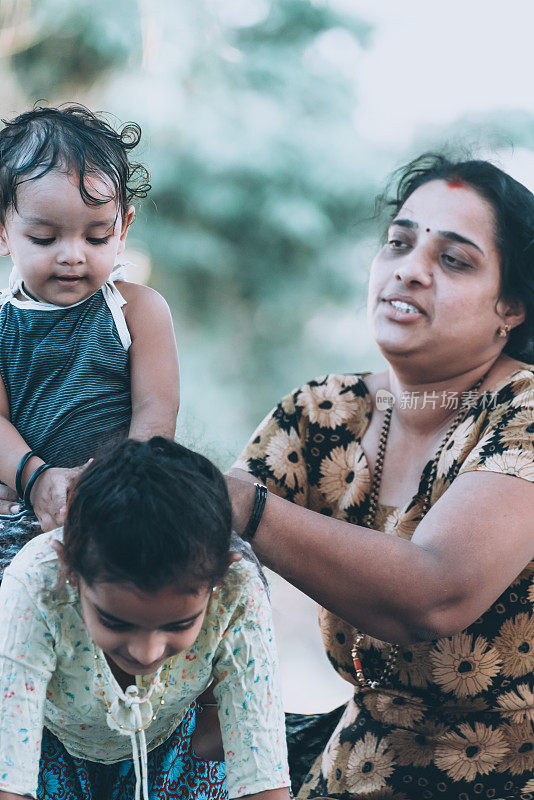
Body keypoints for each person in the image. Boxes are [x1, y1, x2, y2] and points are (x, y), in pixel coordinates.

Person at [226, 155, 534, 798]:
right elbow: (197, 559)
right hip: (347, 771)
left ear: (512, 306)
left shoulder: (522, 413)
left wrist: (242, 507)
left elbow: (437, 593)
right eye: (399, 241)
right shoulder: (320, 413)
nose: (410, 268)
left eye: (454, 260)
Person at [0, 437, 291, 800]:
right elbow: (8, 779)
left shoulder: (237, 588)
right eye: (116, 622)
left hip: (169, 744)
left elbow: (263, 778)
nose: (145, 652)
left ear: (220, 579)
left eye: (179, 624)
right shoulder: (36, 583)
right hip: (49, 741)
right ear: (69, 570)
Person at [0, 105, 179, 570]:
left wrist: (115, 481)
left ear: (123, 230)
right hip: (23, 504)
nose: (72, 256)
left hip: (122, 500)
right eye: (44, 238)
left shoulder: (138, 311)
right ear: (3, 231)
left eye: (96, 237)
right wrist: (35, 479)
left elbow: (156, 411)